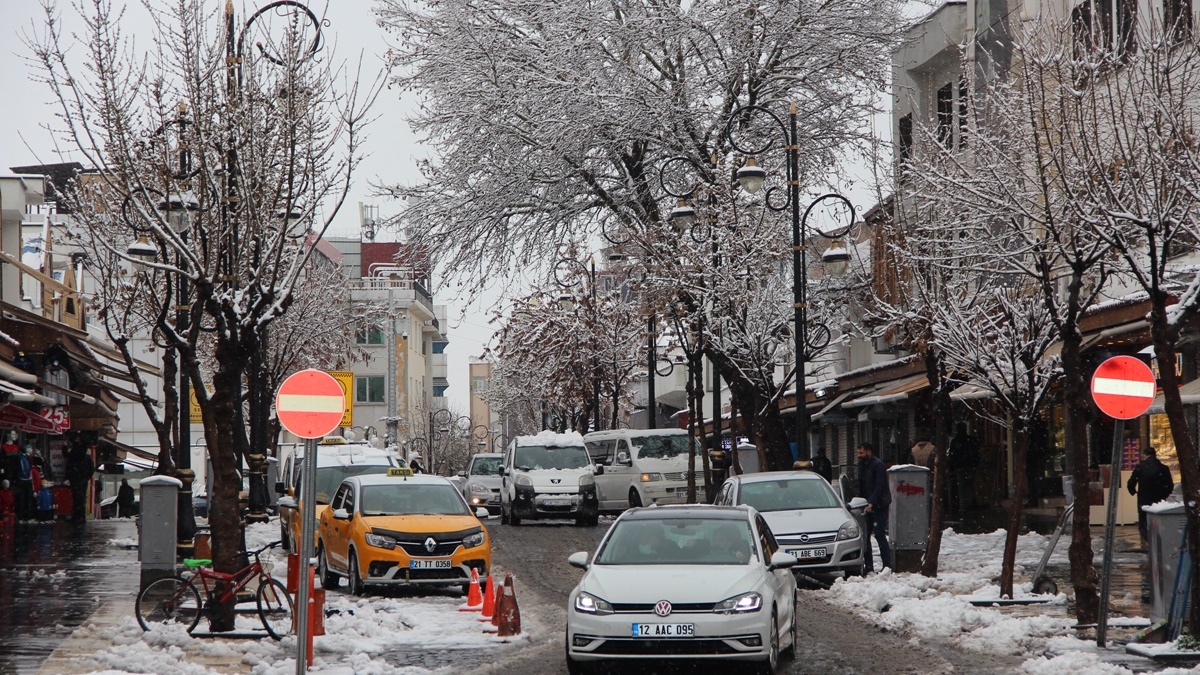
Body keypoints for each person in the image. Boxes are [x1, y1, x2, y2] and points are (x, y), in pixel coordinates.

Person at [1127, 446, 1175, 546]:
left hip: (1144, 498)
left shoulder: (1140, 467)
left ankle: (1150, 541)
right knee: (1157, 521)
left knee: (1143, 523)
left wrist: (1133, 491)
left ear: (1145, 455)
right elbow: (1170, 485)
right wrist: (1164, 495)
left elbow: (1131, 482)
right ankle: (1157, 542)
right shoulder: (1163, 468)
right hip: (1158, 499)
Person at [856, 442, 892, 572]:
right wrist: (860, 502)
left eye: (861, 453)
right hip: (866, 505)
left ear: (869, 452)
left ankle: (887, 565)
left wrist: (872, 502)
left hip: (879, 505)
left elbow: (880, 486)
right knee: (865, 536)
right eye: (858, 453)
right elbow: (860, 484)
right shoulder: (861, 465)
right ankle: (869, 566)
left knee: (879, 534)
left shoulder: (878, 465)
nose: (859, 456)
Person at [947, 422, 980, 515]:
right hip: (969, 466)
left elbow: (952, 455)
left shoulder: (956, 441)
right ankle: (970, 504)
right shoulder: (971, 440)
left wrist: (954, 465)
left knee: (961, 487)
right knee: (970, 486)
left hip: (960, 467)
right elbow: (976, 453)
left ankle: (963, 506)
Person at [68, 447, 94, 523]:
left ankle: (77, 516)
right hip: (82, 480)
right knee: (81, 498)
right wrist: (87, 477)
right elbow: (91, 469)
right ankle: (81, 516)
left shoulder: (74, 457)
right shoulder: (87, 457)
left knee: (76, 498)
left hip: (76, 480)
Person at [13, 446, 34, 522]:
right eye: (30, 448)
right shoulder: (22, 458)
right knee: (22, 499)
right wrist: (25, 476)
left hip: (26, 479)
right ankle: (22, 517)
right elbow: (23, 468)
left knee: (27, 499)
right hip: (23, 480)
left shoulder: (27, 458)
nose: (31, 450)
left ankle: (27, 517)